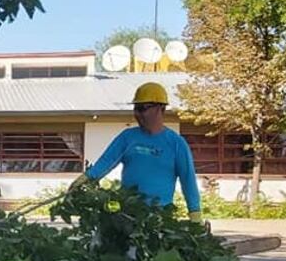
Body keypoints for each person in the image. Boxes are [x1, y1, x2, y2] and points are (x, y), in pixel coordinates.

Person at [70, 82, 202, 222]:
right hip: (127, 216)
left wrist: (195, 214)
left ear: (160, 109)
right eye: (136, 109)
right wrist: (85, 179)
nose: (138, 114)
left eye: (143, 108)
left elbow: (188, 181)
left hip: (160, 219)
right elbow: (106, 162)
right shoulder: (127, 138)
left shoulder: (176, 144)